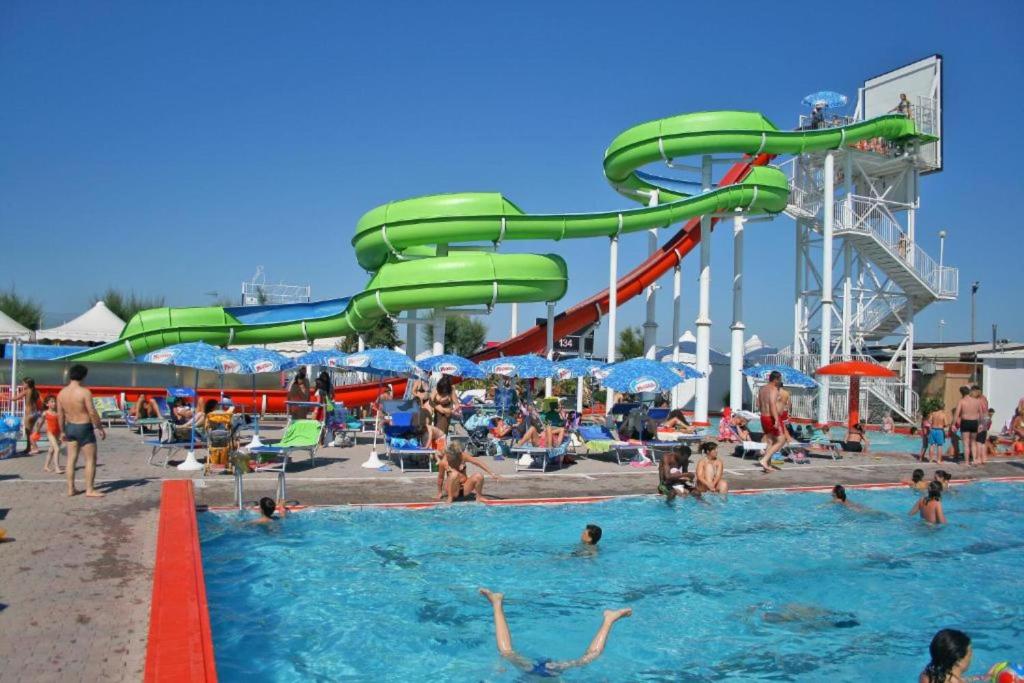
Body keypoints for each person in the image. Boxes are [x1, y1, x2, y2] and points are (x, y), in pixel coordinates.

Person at [478, 588, 631, 678]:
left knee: (506, 652)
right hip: (544, 673)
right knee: (506, 652)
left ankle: (609, 619)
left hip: (539, 673)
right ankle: (609, 620)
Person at [57, 365, 107, 498]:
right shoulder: (84, 392)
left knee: (71, 459)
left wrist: (62, 431)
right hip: (84, 427)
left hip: (70, 427)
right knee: (90, 459)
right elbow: (91, 411)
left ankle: (70, 489)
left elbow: (60, 414)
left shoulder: (61, 393)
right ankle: (89, 490)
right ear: (84, 376)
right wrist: (100, 427)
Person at [757, 371, 785, 473]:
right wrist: (776, 419)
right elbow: (772, 405)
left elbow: (758, 404)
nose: (780, 381)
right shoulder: (773, 389)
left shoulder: (762, 389)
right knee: (781, 440)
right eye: (780, 379)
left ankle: (766, 465)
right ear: (776, 379)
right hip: (771, 417)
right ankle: (764, 460)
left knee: (770, 441)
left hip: (763, 416)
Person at [953, 384, 984, 467]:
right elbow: (981, 414)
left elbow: (956, 414)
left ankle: (966, 462)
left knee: (966, 443)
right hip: (975, 422)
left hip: (965, 422)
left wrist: (953, 424)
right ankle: (974, 460)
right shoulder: (977, 401)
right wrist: (981, 424)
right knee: (973, 442)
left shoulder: (962, 401)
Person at [13, 377, 41, 455]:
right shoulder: (36, 391)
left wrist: (4, 396)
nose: (22, 385)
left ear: (28, 384)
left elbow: (14, 399)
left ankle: (35, 448)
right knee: (30, 432)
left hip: (29, 414)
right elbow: (39, 403)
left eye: (23, 383)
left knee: (28, 432)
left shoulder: (26, 391)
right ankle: (28, 448)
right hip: (35, 413)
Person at [41, 395, 63, 474]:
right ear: (47, 404)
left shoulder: (58, 412)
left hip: (57, 433)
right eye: (52, 402)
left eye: (55, 401)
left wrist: (62, 433)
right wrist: (37, 431)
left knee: (51, 450)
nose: (54, 403)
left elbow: (61, 423)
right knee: (57, 449)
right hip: (50, 433)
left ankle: (46, 466)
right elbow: (40, 422)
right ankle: (57, 468)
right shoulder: (45, 413)